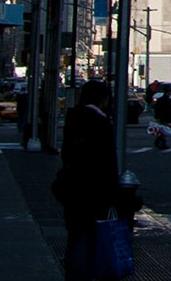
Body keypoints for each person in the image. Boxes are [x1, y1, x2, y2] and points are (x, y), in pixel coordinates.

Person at [55, 80, 119, 281]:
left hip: (73, 189)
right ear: (103, 99)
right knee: (91, 239)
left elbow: (66, 154)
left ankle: (73, 275)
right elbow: (107, 162)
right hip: (94, 191)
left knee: (75, 237)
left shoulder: (73, 118)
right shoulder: (101, 123)